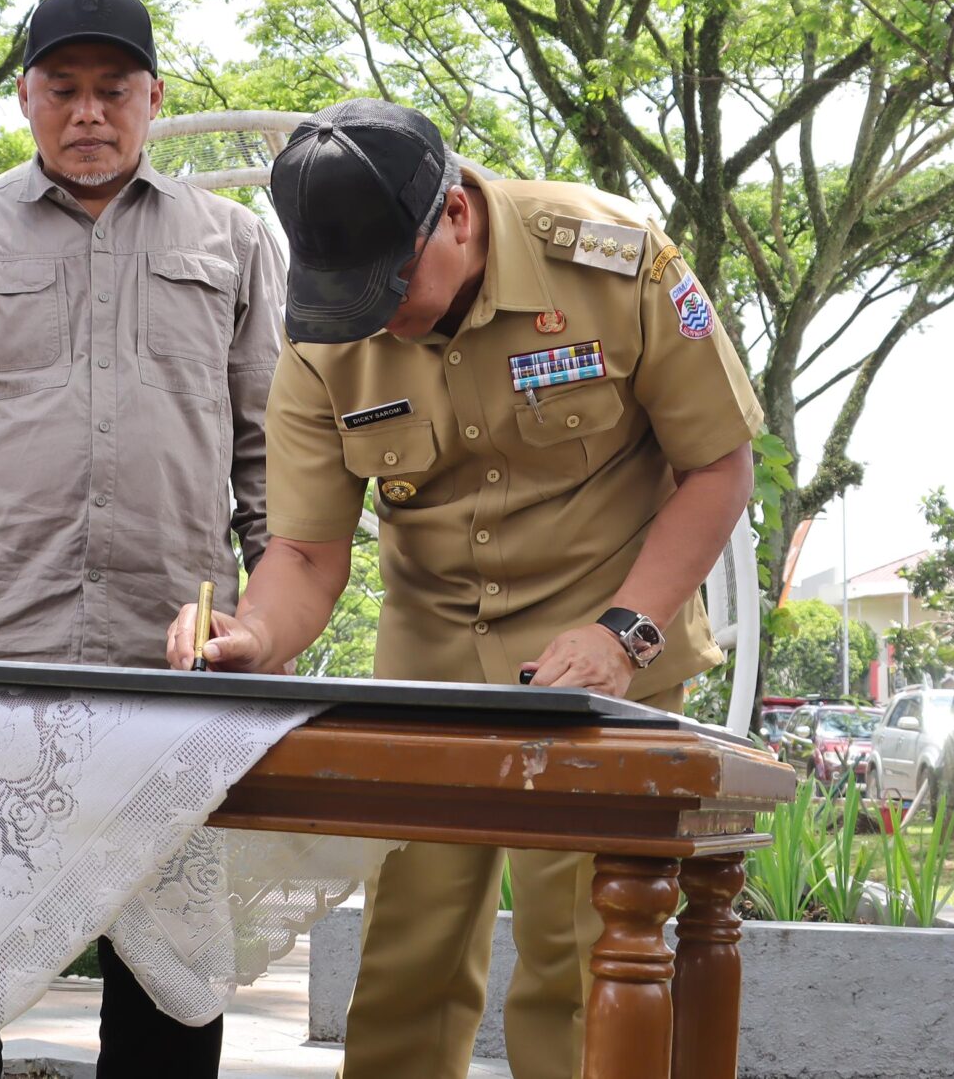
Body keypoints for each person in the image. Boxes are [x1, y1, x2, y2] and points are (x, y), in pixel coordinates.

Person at [164, 100, 762, 1079]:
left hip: (607, 647)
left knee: (584, 946)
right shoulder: (326, 335)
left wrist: (621, 634)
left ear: (450, 214)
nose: (379, 314)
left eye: (390, 281)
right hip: (432, 653)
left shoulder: (614, 261)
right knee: (410, 943)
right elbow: (308, 553)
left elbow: (717, 468)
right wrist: (255, 634)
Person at [0, 0, 284, 1079]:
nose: (88, 114)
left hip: (174, 655)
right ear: (27, 98)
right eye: (63, 90)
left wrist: (269, 623)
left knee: (170, 972)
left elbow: (270, 459)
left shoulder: (232, 243)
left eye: (113, 91)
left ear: (153, 97)